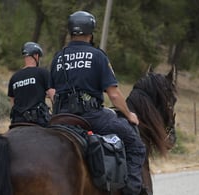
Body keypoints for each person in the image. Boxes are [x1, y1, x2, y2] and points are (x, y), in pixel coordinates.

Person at [49, 11, 147, 195]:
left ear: (71, 32)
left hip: (60, 117)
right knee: (136, 145)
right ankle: (132, 191)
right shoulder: (97, 56)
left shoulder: (58, 58)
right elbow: (115, 95)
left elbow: (52, 92)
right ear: (91, 32)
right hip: (90, 116)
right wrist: (129, 115)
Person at [8, 42, 54, 127]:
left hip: (17, 121)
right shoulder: (42, 73)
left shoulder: (14, 77)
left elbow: (12, 103)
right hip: (38, 121)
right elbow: (53, 96)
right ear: (36, 56)